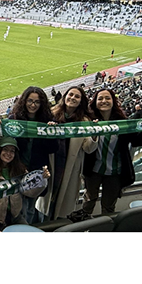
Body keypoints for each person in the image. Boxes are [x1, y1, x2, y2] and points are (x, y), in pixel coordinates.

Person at [81, 88, 142, 216]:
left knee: (108, 207)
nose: (104, 101)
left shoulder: (123, 122)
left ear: (113, 101)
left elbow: (137, 141)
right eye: (100, 98)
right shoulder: (89, 121)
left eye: (108, 98)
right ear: (95, 102)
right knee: (88, 203)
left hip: (115, 172)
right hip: (93, 171)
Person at [7, 86, 56, 223]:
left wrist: (51, 133)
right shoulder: (14, 118)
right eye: (30, 101)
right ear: (24, 101)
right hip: (17, 170)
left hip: (36, 171)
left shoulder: (47, 121)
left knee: (29, 208)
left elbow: (53, 148)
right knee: (16, 206)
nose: (33, 105)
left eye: (37, 102)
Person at [49, 85, 95, 220]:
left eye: (77, 96)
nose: (73, 98)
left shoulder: (85, 121)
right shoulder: (52, 114)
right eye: (70, 95)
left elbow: (89, 148)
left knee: (62, 204)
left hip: (70, 166)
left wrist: (94, 134)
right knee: (47, 202)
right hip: (52, 162)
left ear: (81, 101)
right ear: (65, 96)